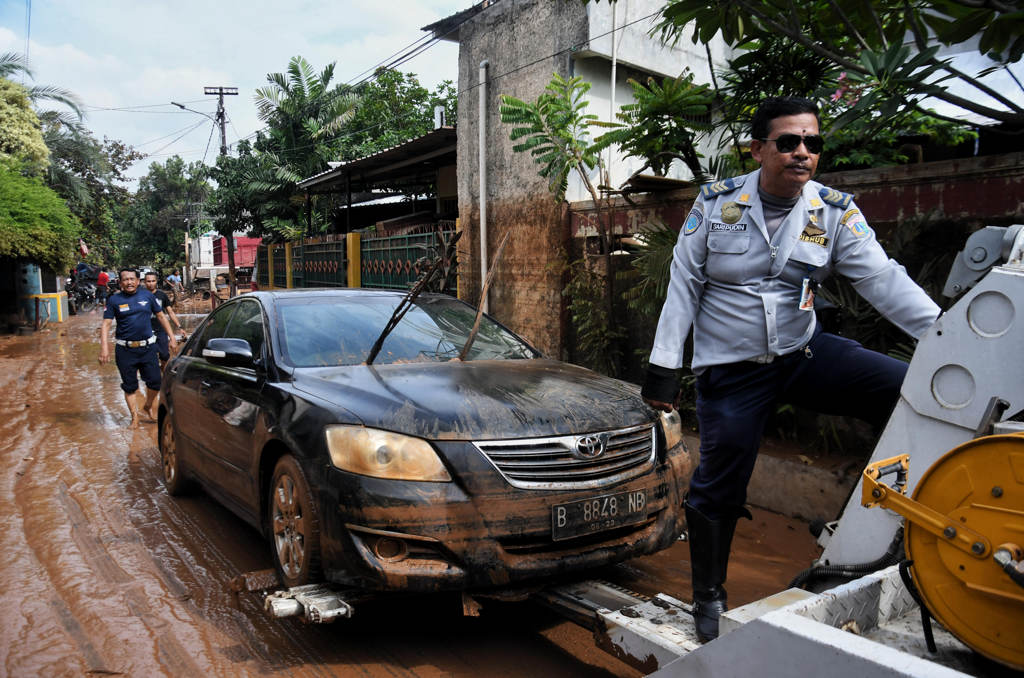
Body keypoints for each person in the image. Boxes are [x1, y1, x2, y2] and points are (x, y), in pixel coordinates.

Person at [641, 96, 940, 643]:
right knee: (721, 479)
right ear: (758, 150)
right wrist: (665, 367)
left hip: (803, 352)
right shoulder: (716, 205)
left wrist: (948, 337)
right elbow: (683, 285)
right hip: (732, 371)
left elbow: (884, 282)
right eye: (788, 142)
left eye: (813, 143)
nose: (803, 153)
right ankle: (708, 595)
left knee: (903, 389)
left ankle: (858, 521)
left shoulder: (833, 211)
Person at [99, 268, 177, 429]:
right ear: (120, 283)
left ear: (138, 281)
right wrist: (104, 349)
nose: (129, 282)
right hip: (125, 350)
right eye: (125, 279)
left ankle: (148, 405)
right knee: (130, 385)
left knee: (155, 382)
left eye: (132, 279)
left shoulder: (147, 296)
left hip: (148, 348)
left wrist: (172, 337)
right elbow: (106, 324)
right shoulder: (114, 300)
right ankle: (134, 417)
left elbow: (161, 316)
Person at [143, 271, 186, 369]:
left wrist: (179, 327)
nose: (151, 283)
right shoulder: (140, 296)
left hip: (161, 329)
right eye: (148, 281)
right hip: (145, 330)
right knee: (149, 356)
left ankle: (163, 372)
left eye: (153, 281)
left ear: (156, 281)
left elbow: (170, 312)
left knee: (165, 355)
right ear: (144, 282)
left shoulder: (162, 295)